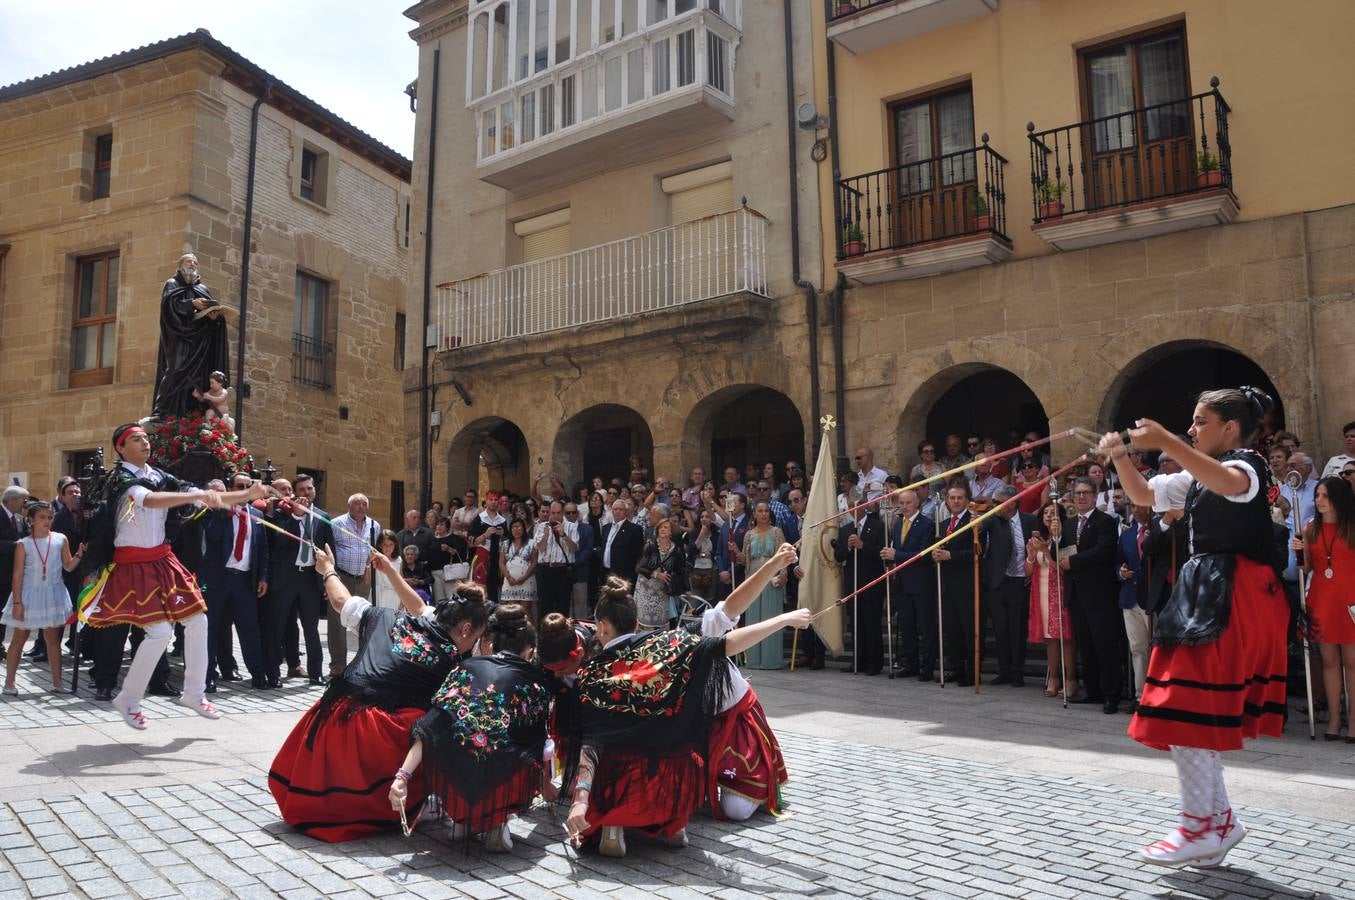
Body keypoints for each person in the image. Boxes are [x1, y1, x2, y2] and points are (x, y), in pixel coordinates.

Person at [1102, 386, 1288, 867]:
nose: (1191, 429)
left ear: (1230, 428)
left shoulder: (1247, 465)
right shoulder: (1200, 476)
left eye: (1200, 421)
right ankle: (1216, 822)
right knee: (1189, 709)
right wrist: (1122, 456)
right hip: (1211, 595)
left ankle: (1201, 826)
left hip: (1231, 598)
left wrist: (1165, 440)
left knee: (1182, 706)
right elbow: (1143, 494)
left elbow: (1229, 483)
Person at [561, 578, 810, 856]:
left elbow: (591, 744)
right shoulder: (671, 643)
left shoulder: (592, 673)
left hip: (623, 778)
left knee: (610, 752)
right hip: (672, 777)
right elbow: (728, 643)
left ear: (603, 626)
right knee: (677, 754)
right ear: (636, 621)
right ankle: (672, 821)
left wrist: (580, 799)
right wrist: (783, 619)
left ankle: (613, 823)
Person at [270, 545, 488, 842]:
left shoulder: (387, 618)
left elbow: (341, 601)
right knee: (443, 719)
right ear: (465, 629)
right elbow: (421, 609)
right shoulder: (452, 662)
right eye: (475, 638)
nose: (473, 646)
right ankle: (415, 799)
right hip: (371, 738)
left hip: (329, 721)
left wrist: (328, 570)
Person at [84, 424, 269, 728]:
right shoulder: (122, 479)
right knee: (159, 633)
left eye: (145, 437)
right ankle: (129, 697)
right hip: (133, 564)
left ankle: (193, 693)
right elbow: (150, 501)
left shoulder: (161, 476)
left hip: (162, 559)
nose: (145, 442)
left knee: (198, 620)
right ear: (120, 448)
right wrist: (192, 496)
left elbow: (207, 499)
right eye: (136, 439)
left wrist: (246, 494)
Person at [391, 603, 552, 852]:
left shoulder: (463, 668)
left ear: (489, 644)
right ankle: (496, 820)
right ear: (529, 651)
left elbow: (430, 726)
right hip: (500, 786)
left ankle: (461, 818)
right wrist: (547, 785)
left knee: (452, 733)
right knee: (531, 745)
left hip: (455, 783)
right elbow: (538, 745)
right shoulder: (535, 684)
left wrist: (403, 776)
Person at [700, 542, 798, 819]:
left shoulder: (701, 632)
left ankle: (761, 777)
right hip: (697, 731)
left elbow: (730, 609)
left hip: (736, 720)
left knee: (736, 811)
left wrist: (772, 566)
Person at [1294, 476, 1355, 741]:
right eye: (1317, 495)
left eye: (1325, 496)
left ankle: (1354, 719)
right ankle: (1334, 717)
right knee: (1329, 662)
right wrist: (1298, 551)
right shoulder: (1310, 528)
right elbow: (1306, 568)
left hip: (1351, 600)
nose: (1319, 501)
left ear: (1338, 499)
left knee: (1352, 663)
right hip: (1322, 597)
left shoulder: (1352, 527)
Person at [2, 501, 82, 694]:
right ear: (31, 520)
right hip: (29, 594)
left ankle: (57, 683)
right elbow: (18, 575)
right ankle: (9, 683)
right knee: (20, 637)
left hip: (52, 593)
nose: (47, 521)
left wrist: (79, 555)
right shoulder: (23, 544)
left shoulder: (60, 539)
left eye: (50, 517)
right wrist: (18, 603)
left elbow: (68, 566)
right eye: (42, 518)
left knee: (53, 638)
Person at [199, 471, 270, 691]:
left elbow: (263, 549)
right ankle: (208, 676)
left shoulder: (257, 514)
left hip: (244, 581)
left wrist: (263, 576)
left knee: (249, 629)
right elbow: (212, 537)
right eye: (240, 486)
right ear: (230, 489)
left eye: (248, 486)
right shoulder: (216, 511)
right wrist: (224, 513)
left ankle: (258, 674)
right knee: (210, 630)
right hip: (219, 579)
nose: (244, 490)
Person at [1059, 476, 1123, 714]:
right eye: (1078, 493)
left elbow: (1104, 551)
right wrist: (1055, 542)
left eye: (1086, 493)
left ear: (1096, 495)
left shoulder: (1105, 521)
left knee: (1105, 644)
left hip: (1100, 593)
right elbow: (1063, 553)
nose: (1082, 497)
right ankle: (1093, 689)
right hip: (1076, 593)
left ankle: (1111, 694)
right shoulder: (1068, 524)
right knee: (1085, 644)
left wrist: (1072, 561)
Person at [152, 252, 230, 418]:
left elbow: (211, 318)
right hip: (179, 338)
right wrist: (190, 304)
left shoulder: (202, 289)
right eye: (189, 262)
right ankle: (163, 410)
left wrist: (214, 318)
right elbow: (168, 307)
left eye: (195, 263)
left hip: (200, 342)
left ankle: (192, 413)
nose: (193, 265)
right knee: (176, 370)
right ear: (180, 266)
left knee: (198, 377)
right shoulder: (172, 284)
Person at [982, 484, 1036, 686]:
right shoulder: (994, 520)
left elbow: (1036, 544)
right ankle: (1003, 670)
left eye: (998, 502)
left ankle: (1017, 672)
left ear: (1012, 503)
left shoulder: (1029, 520)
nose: (995, 505)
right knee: (1000, 628)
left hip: (1019, 580)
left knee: (1017, 628)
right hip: (999, 581)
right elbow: (980, 528)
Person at [883, 488, 936, 680]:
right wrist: (890, 557)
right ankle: (911, 664)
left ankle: (927, 667)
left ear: (917, 504)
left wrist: (896, 555)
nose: (904, 507)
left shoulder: (927, 524)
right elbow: (897, 550)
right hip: (903, 584)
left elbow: (924, 555)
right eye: (901, 503)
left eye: (908, 503)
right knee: (907, 626)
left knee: (926, 626)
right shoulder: (898, 525)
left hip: (921, 583)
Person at [1026, 502, 1075, 699]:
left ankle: (1071, 679)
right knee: (1050, 638)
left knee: (1065, 637)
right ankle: (1053, 677)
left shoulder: (1066, 537)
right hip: (1041, 590)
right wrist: (1031, 555)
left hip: (1061, 590)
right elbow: (1028, 571)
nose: (1048, 516)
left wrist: (1046, 551)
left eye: (1052, 513)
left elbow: (1064, 568)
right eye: (1045, 512)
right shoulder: (1039, 538)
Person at [933, 481, 978, 685]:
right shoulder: (943, 524)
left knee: (968, 629)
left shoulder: (974, 521)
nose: (956, 501)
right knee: (952, 629)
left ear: (967, 501)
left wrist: (951, 555)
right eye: (952, 498)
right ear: (947, 501)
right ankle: (957, 667)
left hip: (966, 584)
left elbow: (977, 552)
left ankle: (971, 671)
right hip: (946, 585)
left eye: (960, 498)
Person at [1117, 502, 1156, 711]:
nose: (1138, 510)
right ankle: (1141, 695)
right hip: (1130, 596)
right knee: (1137, 648)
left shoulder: (1159, 528)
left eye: (1142, 505)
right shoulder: (1127, 534)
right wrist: (1121, 572)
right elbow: (1118, 562)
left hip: (1153, 598)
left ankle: (1157, 695)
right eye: (1133, 506)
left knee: (1156, 649)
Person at [740, 502, 787, 669]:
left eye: (766, 511)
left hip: (771, 576)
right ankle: (753, 659)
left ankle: (771, 659)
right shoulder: (749, 535)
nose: (764, 514)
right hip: (753, 577)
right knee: (754, 619)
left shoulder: (776, 532)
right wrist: (735, 552)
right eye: (760, 511)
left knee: (769, 617)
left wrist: (783, 575)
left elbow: (783, 555)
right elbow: (745, 560)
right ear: (754, 514)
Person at [635, 516, 688, 632]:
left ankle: (662, 647)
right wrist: (655, 574)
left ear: (671, 532)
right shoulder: (650, 545)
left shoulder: (675, 550)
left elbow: (681, 570)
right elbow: (639, 568)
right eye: (661, 527)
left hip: (662, 591)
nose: (663, 529)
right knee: (646, 625)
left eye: (666, 527)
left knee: (663, 625)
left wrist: (686, 589)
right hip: (645, 589)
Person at [532, 501, 578, 621]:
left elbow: (574, 548)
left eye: (558, 513)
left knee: (563, 606)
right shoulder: (542, 526)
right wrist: (545, 536)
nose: (555, 516)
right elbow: (539, 548)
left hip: (562, 570)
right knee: (544, 606)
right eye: (553, 512)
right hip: (545, 569)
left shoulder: (571, 526)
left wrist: (564, 535)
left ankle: (563, 634)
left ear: (562, 512)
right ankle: (544, 635)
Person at [499, 518, 538, 619]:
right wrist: (508, 577)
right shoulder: (505, 544)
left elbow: (534, 562)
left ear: (523, 528)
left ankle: (531, 634)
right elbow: (501, 562)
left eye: (518, 527)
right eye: (513, 527)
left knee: (526, 610)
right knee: (512, 610)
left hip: (527, 580)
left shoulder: (531, 542)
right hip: (510, 581)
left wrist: (524, 577)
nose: (516, 529)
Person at [600, 498, 645, 586]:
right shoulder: (606, 528)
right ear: (612, 511)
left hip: (623, 575)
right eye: (615, 509)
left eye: (621, 509)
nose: (617, 511)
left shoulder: (635, 529)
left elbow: (638, 553)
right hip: (606, 572)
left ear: (626, 511)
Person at [370, 530, 403, 610]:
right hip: (379, 594)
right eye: (385, 544)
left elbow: (401, 581)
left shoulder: (398, 560)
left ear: (395, 545)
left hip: (394, 596)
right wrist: (369, 562)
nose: (388, 548)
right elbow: (367, 580)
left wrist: (402, 601)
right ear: (380, 545)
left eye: (391, 544)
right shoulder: (376, 559)